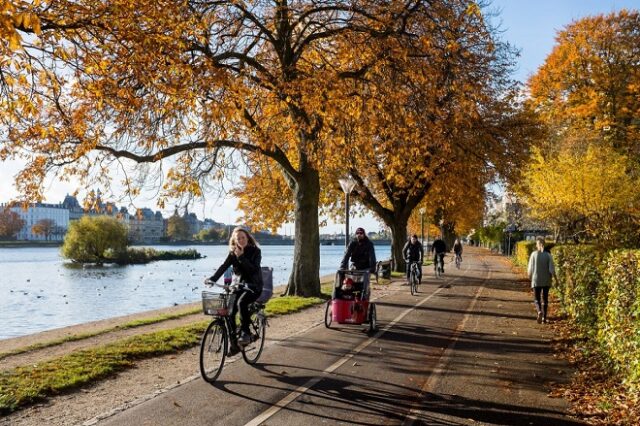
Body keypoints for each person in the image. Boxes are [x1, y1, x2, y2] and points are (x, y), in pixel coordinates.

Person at [206, 227, 263, 354]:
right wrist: (213, 279)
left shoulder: (255, 252)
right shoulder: (233, 253)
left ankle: (246, 333)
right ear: (234, 240)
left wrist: (242, 257)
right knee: (229, 312)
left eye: (243, 237)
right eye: (238, 238)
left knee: (241, 303)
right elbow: (223, 266)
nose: (241, 240)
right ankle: (234, 345)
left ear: (247, 238)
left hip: (254, 287)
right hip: (239, 286)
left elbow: (253, 270)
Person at [527, 237, 557, 324]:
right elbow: (551, 269)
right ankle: (544, 318)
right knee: (545, 299)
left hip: (536, 279)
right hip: (546, 280)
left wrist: (530, 277)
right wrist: (555, 279)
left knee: (537, 299)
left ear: (537, 245)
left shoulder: (533, 254)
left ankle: (539, 311)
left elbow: (530, 269)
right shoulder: (548, 255)